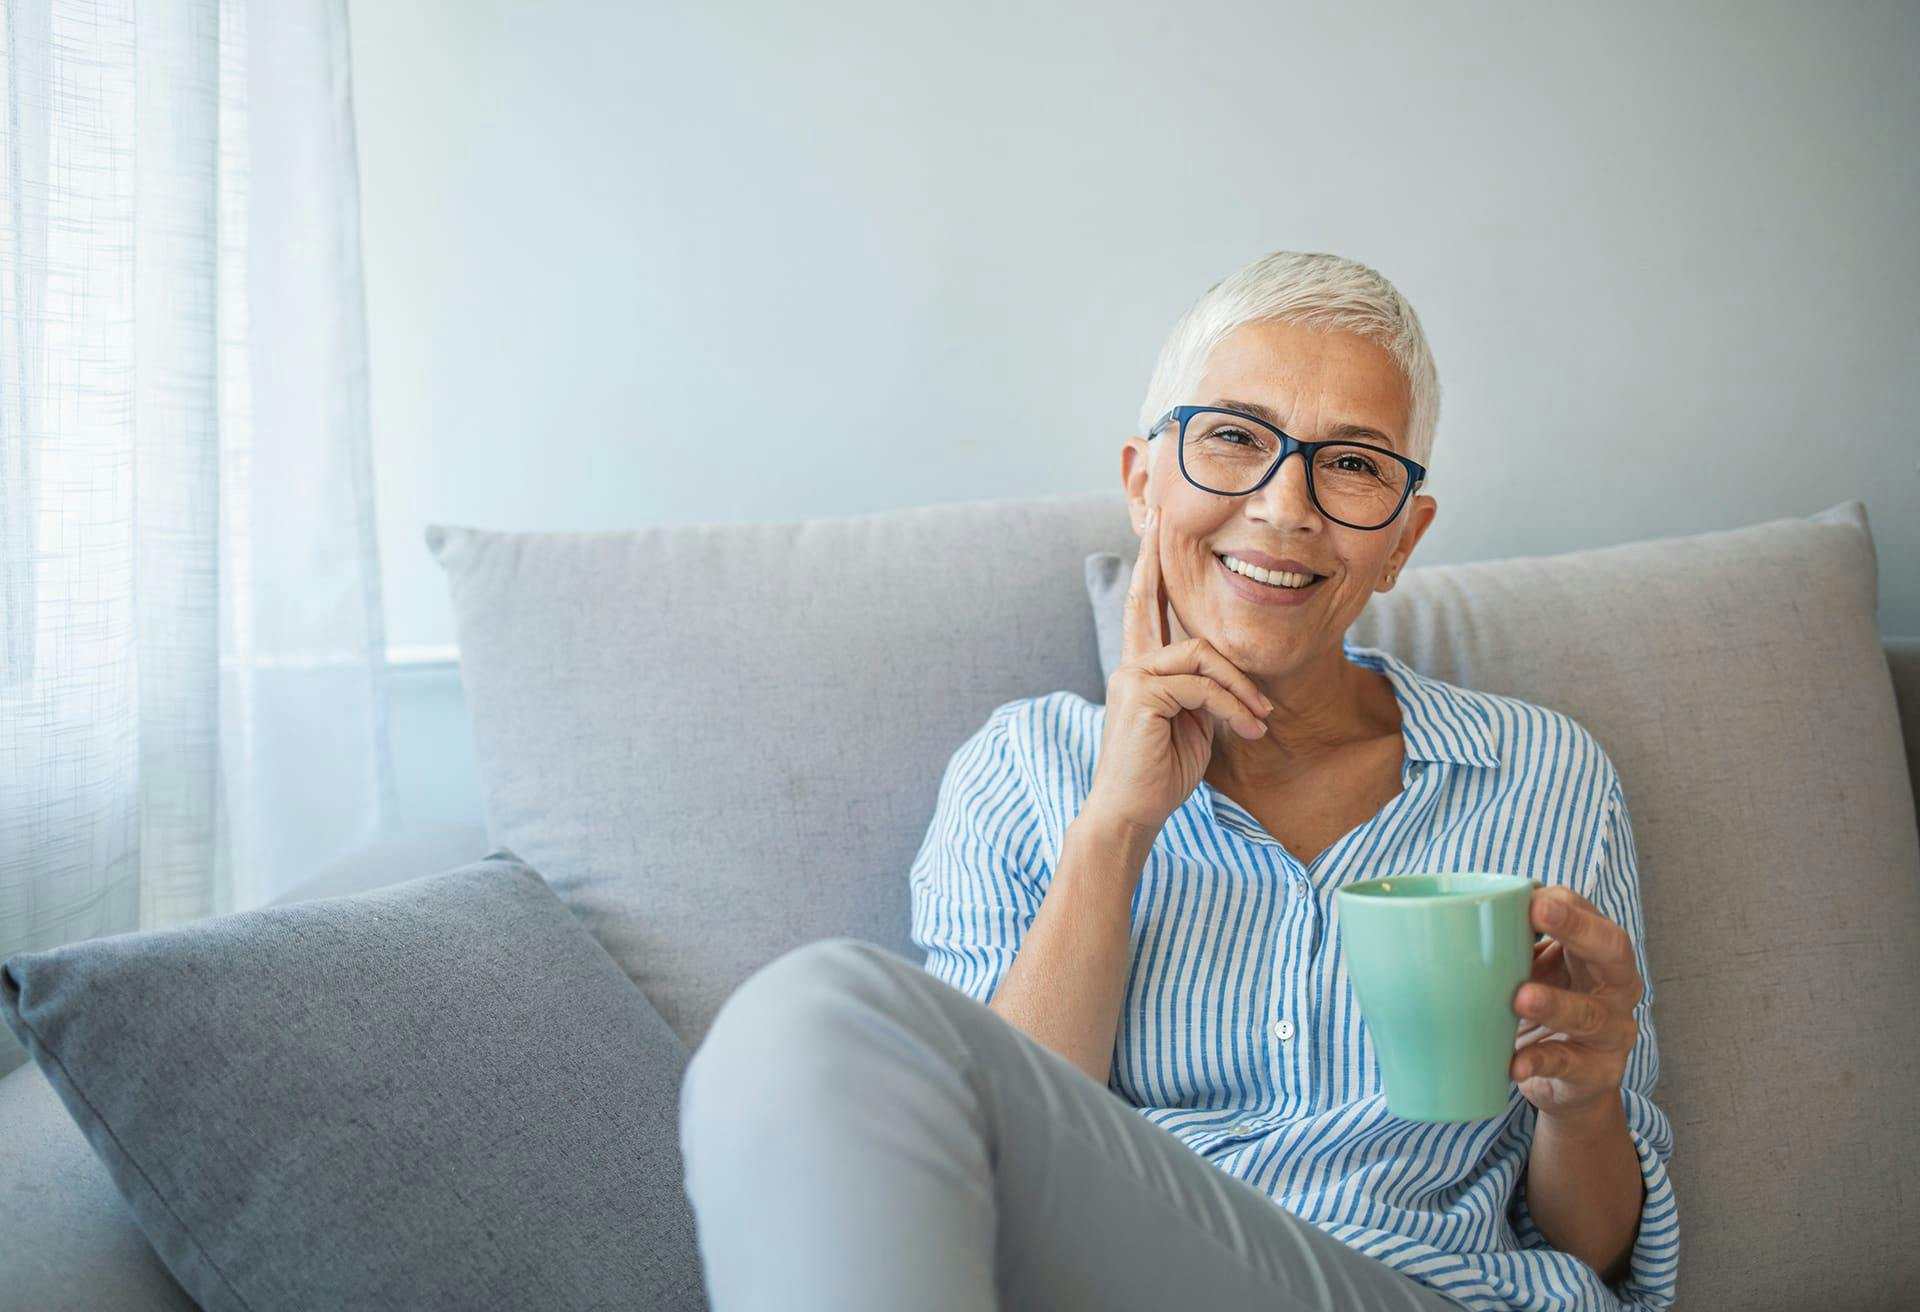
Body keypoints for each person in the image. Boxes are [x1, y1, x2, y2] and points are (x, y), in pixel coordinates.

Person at [677, 250, 1678, 1311]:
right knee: (816, 1015)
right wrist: (1114, 827)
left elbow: (1601, 1251)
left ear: (1401, 539)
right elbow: (988, 1156)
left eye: (1351, 465)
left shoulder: (1542, 774)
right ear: (1142, 483)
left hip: (1425, 1293)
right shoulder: (1026, 773)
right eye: (1235, 438)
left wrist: (1583, 1104)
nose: (1285, 505)